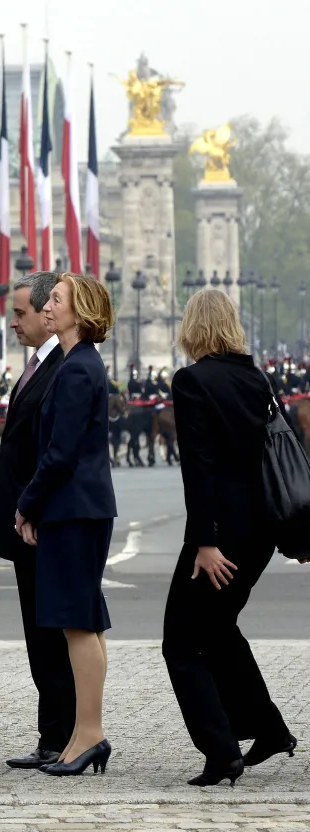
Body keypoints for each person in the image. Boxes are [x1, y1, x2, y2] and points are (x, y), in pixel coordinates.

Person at [162, 288, 296, 787]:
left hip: (219, 533)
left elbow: (199, 467)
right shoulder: (256, 377)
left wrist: (204, 541)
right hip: (260, 531)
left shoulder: (192, 380)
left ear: (193, 326)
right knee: (217, 629)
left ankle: (221, 752)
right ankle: (269, 729)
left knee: (181, 641)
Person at [15, 272, 118, 778]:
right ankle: (84, 732)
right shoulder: (79, 363)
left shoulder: (77, 369)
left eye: (56, 300)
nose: (47, 306)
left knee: (77, 624)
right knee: (85, 622)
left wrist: (27, 504)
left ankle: (91, 733)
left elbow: (60, 454)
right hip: (80, 508)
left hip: (73, 509)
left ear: (81, 312)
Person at [0, 272, 74, 770]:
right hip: (27, 528)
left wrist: (31, 508)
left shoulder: (61, 366)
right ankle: (52, 734)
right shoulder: (39, 365)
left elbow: (53, 453)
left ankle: (61, 736)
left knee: (50, 637)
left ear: (46, 313)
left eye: (20, 313)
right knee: (39, 636)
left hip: (40, 526)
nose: (13, 322)